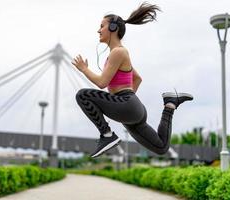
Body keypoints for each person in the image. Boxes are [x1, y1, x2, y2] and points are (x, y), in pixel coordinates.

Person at [71, 2, 193, 158]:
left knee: (82, 95)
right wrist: (124, 105)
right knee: (161, 147)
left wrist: (84, 69)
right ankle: (170, 105)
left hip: (128, 106)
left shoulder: (118, 52)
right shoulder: (118, 54)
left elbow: (102, 83)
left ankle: (107, 135)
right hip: (131, 110)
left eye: (102, 26)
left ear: (113, 28)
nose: (98, 30)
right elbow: (137, 78)